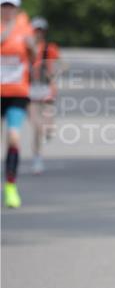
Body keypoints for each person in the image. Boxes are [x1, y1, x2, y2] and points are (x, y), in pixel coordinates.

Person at [0, 0, 35, 208]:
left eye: (11, 6)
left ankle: (10, 186)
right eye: (4, 5)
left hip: (17, 93)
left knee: (13, 138)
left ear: (18, 8)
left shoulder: (26, 28)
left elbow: (32, 58)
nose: (8, 10)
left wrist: (31, 48)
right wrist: (10, 28)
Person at [28, 17, 60, 174]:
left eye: (40, 30)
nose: (38, 33)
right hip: (30, 89)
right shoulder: (25, 47)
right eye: (35, 30)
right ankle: (37, 158)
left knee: (47, 125)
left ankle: (48, 131)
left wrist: (51, 74)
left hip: (46, 88)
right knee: (37, 127)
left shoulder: (50, 48)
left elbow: (57, 67)